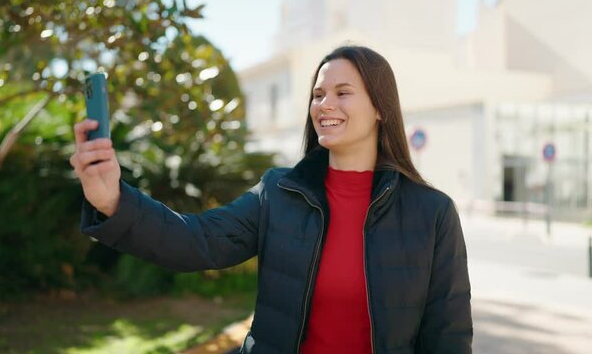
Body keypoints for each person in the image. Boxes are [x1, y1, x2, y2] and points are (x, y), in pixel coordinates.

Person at [70, 45, 472, 354]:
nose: (324, 104)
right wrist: (114, 201)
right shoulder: (278, 193)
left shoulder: (431, 213)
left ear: (381, 108)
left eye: (342, 92)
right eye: (318, 94)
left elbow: (448, 336)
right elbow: (197, 241)